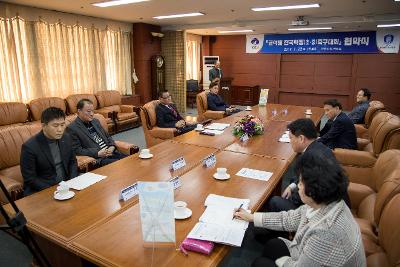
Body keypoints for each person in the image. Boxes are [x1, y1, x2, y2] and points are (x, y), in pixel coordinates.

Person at [234, 151, 366, 267]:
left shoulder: (326, 233)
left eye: (301, 183)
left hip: (311, 259)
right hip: (310, 255)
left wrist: (283, 261)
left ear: (313, 192)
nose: (297, 186)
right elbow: (289, 219)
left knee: (260, 263)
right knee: (273, 245)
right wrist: (251, 217)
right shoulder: (328, 201)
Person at [267, 118, 337, 212]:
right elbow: (305, 178)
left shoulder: (311, 159)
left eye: (291, 137)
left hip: (321, 210)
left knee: (274, 201)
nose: (290, 141)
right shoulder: (320, 147)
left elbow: (304, 196)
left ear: (301, 138)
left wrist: (290, 198)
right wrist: (292, 186)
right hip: (329, 201)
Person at [20, 107, 78, 196]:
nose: (60, 129)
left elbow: (72, 161)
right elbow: (30, 178)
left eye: (62, 125)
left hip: (66, 185)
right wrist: (53, 190)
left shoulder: (66, 138)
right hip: (42, 189)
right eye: (55, 126)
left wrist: (72, 181)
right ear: (43, 126)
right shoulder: (30, 147)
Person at [67, 98, 127, 167]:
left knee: (130, 159)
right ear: (79, 111)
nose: (92, 114)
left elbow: (108, 136)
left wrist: (112, 146)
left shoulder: (95, 121)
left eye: (93, 111)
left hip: (111, 153)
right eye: (88, 111)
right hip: (99, 159)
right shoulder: (72, 128)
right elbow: (77, 150)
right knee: (120, 165)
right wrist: (97, 153)